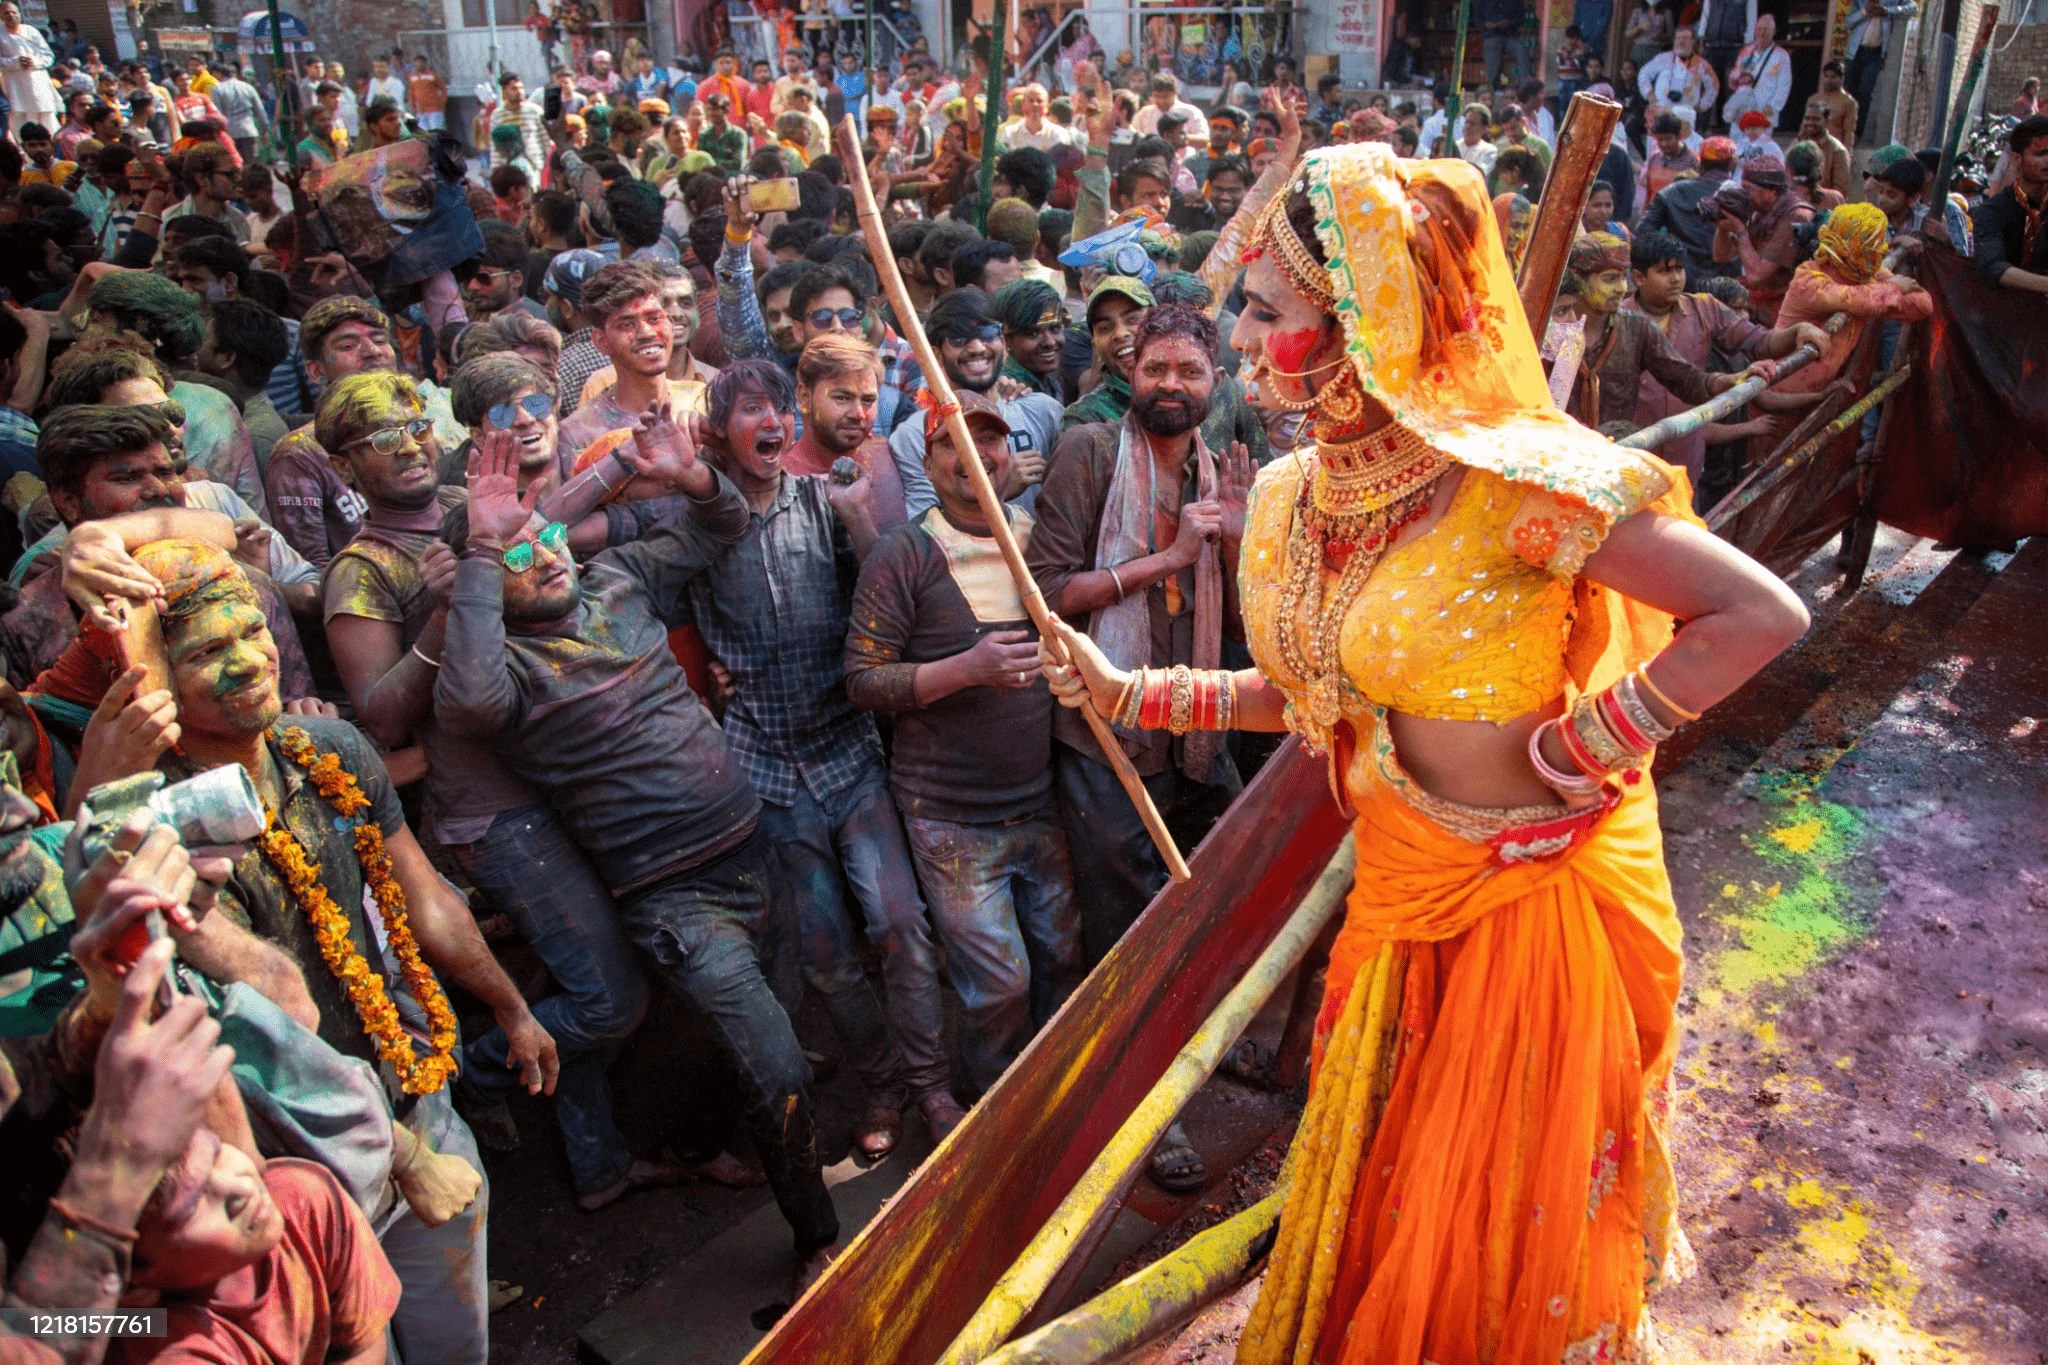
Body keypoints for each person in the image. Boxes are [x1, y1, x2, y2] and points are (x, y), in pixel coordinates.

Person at [1041, 141, 1811, 1360]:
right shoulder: (1293, 494)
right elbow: (1303, 697)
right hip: (1396, 910)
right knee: (1387, 1192)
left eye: (1262, 311)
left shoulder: (1514, 490)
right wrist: (1131, 690)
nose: (1240, 342)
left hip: (1521, 911)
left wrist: (1597, 736)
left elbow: (1759, 615)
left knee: (1495, 1225)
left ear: (1364, 322)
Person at [435, 385, 843, 1297]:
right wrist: (480, 540)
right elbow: (459, 701)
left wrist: (691, 472)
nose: (541, 555)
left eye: (546, 538)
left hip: (753, 848)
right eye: (516, 553)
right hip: (677, 898)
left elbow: (723, 525)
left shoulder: (618, 582)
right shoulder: (506, 669)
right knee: (775, 1062)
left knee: (761, 1038)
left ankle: (703, 1145)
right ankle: (818, 1236)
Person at [843, 388, 1082, 1097]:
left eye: (992, 439)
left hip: (1038, 802)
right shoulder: (905, 554)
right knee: (999, 982)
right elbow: (862, 679)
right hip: (949, 815)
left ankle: (1057, 1095)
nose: (977, 457)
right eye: (954, 443)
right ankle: (991, 1109)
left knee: (1063, 958)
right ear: (927, 456)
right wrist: (964, 669)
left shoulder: (1038, 539)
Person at [1624, 228, 1831, 483]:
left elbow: (1759, 341)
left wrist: (1798, 330)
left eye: (1679, 269)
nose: (1676, 278)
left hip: (1687, 450)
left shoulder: (1705, 308)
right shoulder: (1620, 319)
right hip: (1632, 448)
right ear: (1638, 277)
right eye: (1664, 271)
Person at [891, 289, 1062, 519]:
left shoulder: (1043, 411)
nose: (977, 347)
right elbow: (923, 531)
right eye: (959, 340)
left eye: (988, 334)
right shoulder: (916, 434)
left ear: (1003, 342)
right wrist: (1000, 489)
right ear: (936, 355)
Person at [1712, 150, 1807, 322]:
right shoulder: (1760, 211)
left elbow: (1757, 275)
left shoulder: (1795, 215)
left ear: (1771, 191)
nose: (1743, 194)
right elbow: (1721, 256)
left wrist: (1740, 228)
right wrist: (1723, 225)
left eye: (1748, 189)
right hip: (1762, 297)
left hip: (1786, 304)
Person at [1973, 114, 2048, 295]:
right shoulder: (1992, 211)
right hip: (2004, 313)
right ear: (2016, 159)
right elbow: (1994, 267)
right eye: (2040, 154)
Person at [992, 277, 1067, 402]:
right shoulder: (1010, 392)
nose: (1050, 342)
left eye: (1055, 328)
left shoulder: (1048, 381)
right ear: (1006, 339)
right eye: (1032, 333)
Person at [1721, 14, 1791, 130]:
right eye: (1759, 29)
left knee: (1759, 143)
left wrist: (1774, 106)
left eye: (1766, 29)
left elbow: (1784, 84)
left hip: (1764, 106)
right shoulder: (1747, 51)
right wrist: (1736, 78)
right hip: (1742, 106)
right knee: (1736, 142)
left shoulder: (1781, 56)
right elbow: (1736, 74)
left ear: (1773, 32)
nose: (1762, 33)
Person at [0, 2, 58, 140]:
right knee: (20, 117)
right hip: (15, 84)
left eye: (13, 12)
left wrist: (34, 62)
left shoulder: (31, 31)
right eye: (6, 13)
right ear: (1, 16)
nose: (10, 16)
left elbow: (49, 56)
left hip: (37, 80)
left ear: (19, 14)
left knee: (46, 116)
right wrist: (16, 62)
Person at [1640, 25, 1717, 121]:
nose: (1681, 41)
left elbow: (1714, 86)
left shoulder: (1702, 64)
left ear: (1693, 41)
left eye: (1685, 38)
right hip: (1661, 112)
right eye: (1678, 38)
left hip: (1686, 115)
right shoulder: (1663, 58)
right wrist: (1649, 94)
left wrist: (1702, 105)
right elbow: (1643, 74)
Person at [408, 54, 447, 132]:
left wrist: (442, 102)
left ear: (425, 64)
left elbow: (443, 89)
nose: (419, 64)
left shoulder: (432, 75)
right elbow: (411, 92)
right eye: (417, 62)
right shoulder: (411, 77)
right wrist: (412, 106)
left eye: (421, 62)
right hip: (420, 111)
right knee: (424, 134)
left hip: (434, 110)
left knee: (436, 132)